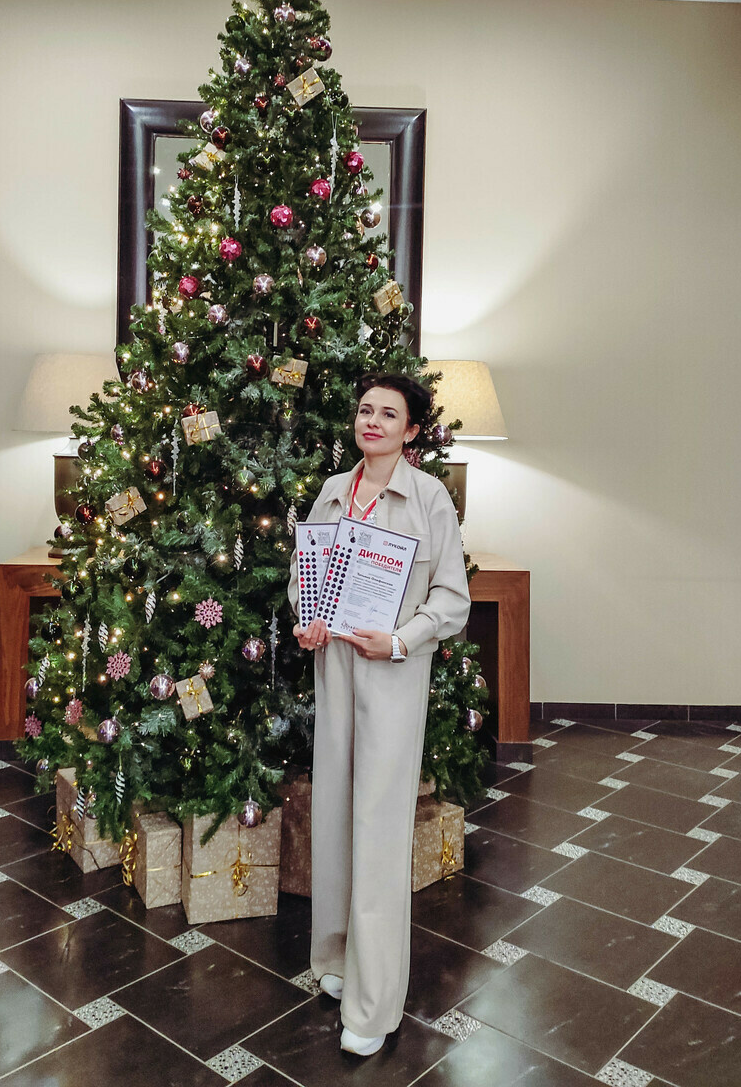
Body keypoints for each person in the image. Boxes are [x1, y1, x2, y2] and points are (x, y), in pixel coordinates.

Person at [287, 372, 472, 1057]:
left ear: (411, 430)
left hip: (392, 673)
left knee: (378, 828)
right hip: (334, 667)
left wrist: (399, 640)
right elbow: (305, 575)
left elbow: (451, 599)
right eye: (365, 410)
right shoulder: (335, 489)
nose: (373, 421)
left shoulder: (429, 499)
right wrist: (307, 618)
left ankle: (373, 1004)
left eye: (389, 414)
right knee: (334, 813)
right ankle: (336, 959)